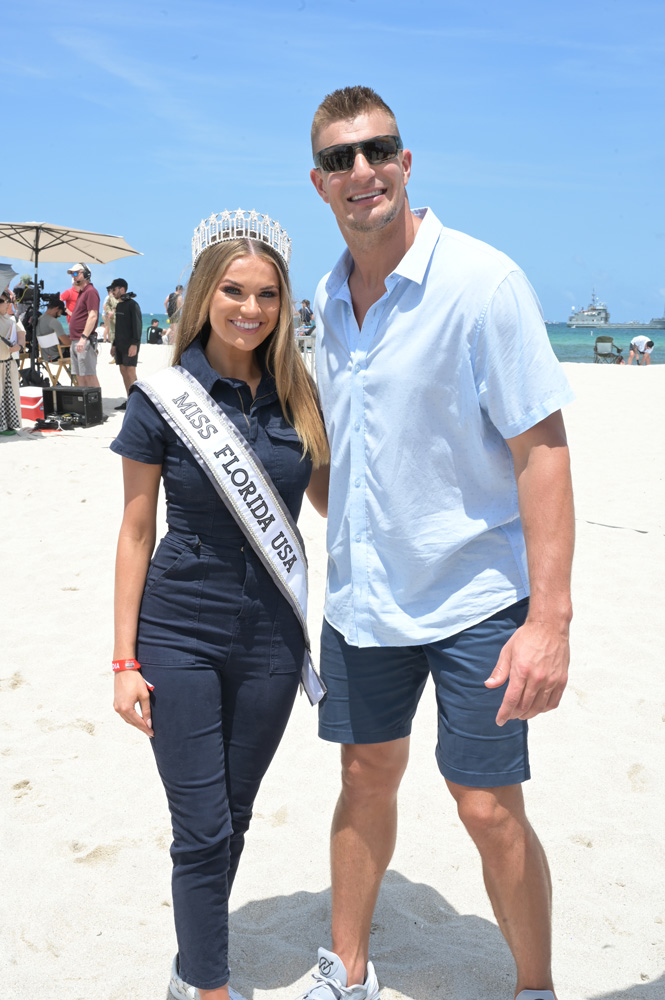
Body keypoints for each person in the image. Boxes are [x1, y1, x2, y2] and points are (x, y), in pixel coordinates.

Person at [300, 85, 575, 1000]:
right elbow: (328, 448)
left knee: (487, 807)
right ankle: (347, 971)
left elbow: (539, 452)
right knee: (364, 776)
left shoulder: (482, 282)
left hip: (472, 597)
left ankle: (532, 985)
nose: (361, 171)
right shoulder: (323, 302)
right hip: (365, 598)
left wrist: (549, 621)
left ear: (406, 163)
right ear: (319, 183)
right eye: (340, 159)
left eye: (377, 150)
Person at [111, 209, 330, 1000]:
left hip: (272, 635)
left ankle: (188, 966)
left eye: (267, 294)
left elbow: (341, 502)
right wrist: (123, 660)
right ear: (206, 293)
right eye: (234, 291)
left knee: (231, 819)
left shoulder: (299, 393)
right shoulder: (162, 398)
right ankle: (208, 986)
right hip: (179, 630)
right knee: (200, 827)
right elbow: (135, 533)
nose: (250, 308)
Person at [108, 279, 142, 410]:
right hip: (120, 344)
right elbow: (118, 327)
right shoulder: (119, 305)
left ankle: (137, 402)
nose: (112, 292)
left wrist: (134, 344)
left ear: (122, 289)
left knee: (130, 371)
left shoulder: (133, 305)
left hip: (130, 344)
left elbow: (137, 326)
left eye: (114, 289)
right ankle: (129, 399)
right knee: (123, 370)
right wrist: (114, 344)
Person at [67, 264, 100, 388]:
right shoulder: (83, 293)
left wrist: (83, 337)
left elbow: (93, 316)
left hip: (83, 340)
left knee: (89, 375)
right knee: (79, 375)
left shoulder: (91, 292)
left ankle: (95, 406)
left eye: (76, 273)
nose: (73, 277)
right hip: (76, 340)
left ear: (86, 274)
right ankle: (85, 405)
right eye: (72, 274)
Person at [0, 290, 22, 434]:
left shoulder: (12, 320)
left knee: (10, 396)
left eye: (5, 301)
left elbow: (21, 335)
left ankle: (7, 425)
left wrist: (18, 346)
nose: (5, 304)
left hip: (8, 362)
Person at [36, 295, 71, 361]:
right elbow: (67, 343)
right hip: (59, 355)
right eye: (60, 312)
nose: (60, 316)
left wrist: (64, 337)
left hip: (46, 356)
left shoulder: (39, 319)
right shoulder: (54, 322)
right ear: (56, 308)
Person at [102, 283, 120, 348]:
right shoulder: (108, 297)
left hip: (107, 314)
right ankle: (105, 339)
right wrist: (108, 313)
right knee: (107, 327)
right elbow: (104, 306)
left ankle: (109, 339)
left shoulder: (110, 297)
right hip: (106, 315)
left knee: (109, 327)